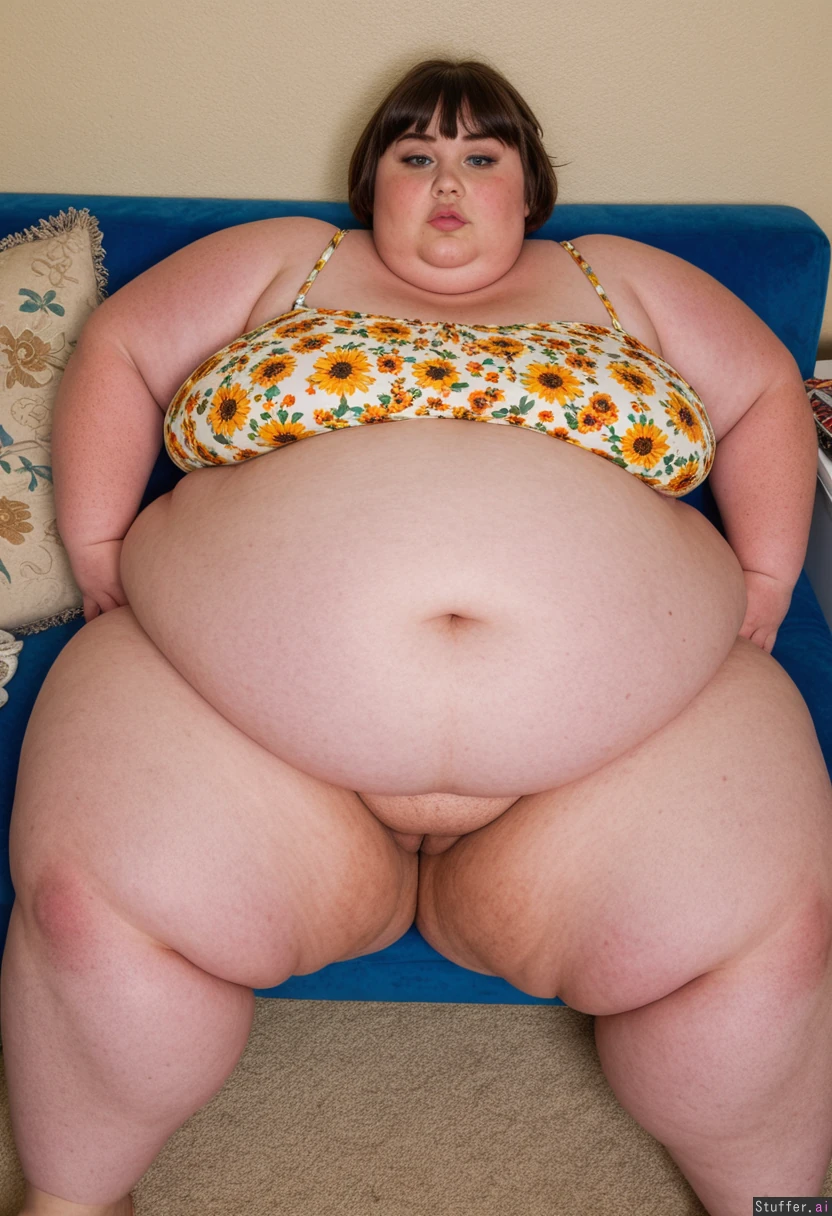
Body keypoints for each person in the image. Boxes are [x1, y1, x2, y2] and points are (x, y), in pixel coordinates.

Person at [2, 55, 830, 1216]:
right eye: (414, 154)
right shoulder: (291, 258)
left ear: (529, 189)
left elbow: (763, 392)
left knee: (773, 941)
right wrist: (97, 547)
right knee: (90, 915)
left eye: (481, 155)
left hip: (621, 765)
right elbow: (122, 349)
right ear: (370, 185)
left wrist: (765, 574)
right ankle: (76, 1198)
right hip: (232, 733)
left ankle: (778, 1206)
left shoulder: (616, 278)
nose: (448, 181)